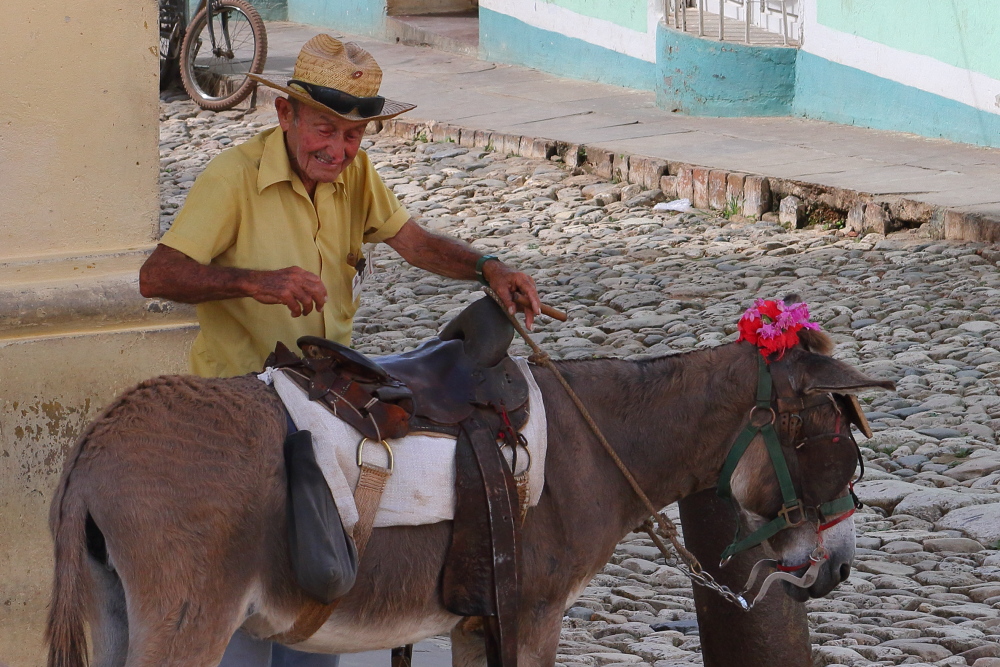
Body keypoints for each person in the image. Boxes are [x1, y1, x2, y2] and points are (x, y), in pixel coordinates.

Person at [139, 34, 540, 667]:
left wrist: (485, 266)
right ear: (285, 115)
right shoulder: (233, 178)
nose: (338, 148)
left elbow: (413, 242)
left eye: (354, 136)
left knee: (317, 588)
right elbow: (157, 275)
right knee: (246, 602)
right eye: (325, 129)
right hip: (241, 412)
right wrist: (255, 281)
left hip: (324, 410)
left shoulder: (355, 175)